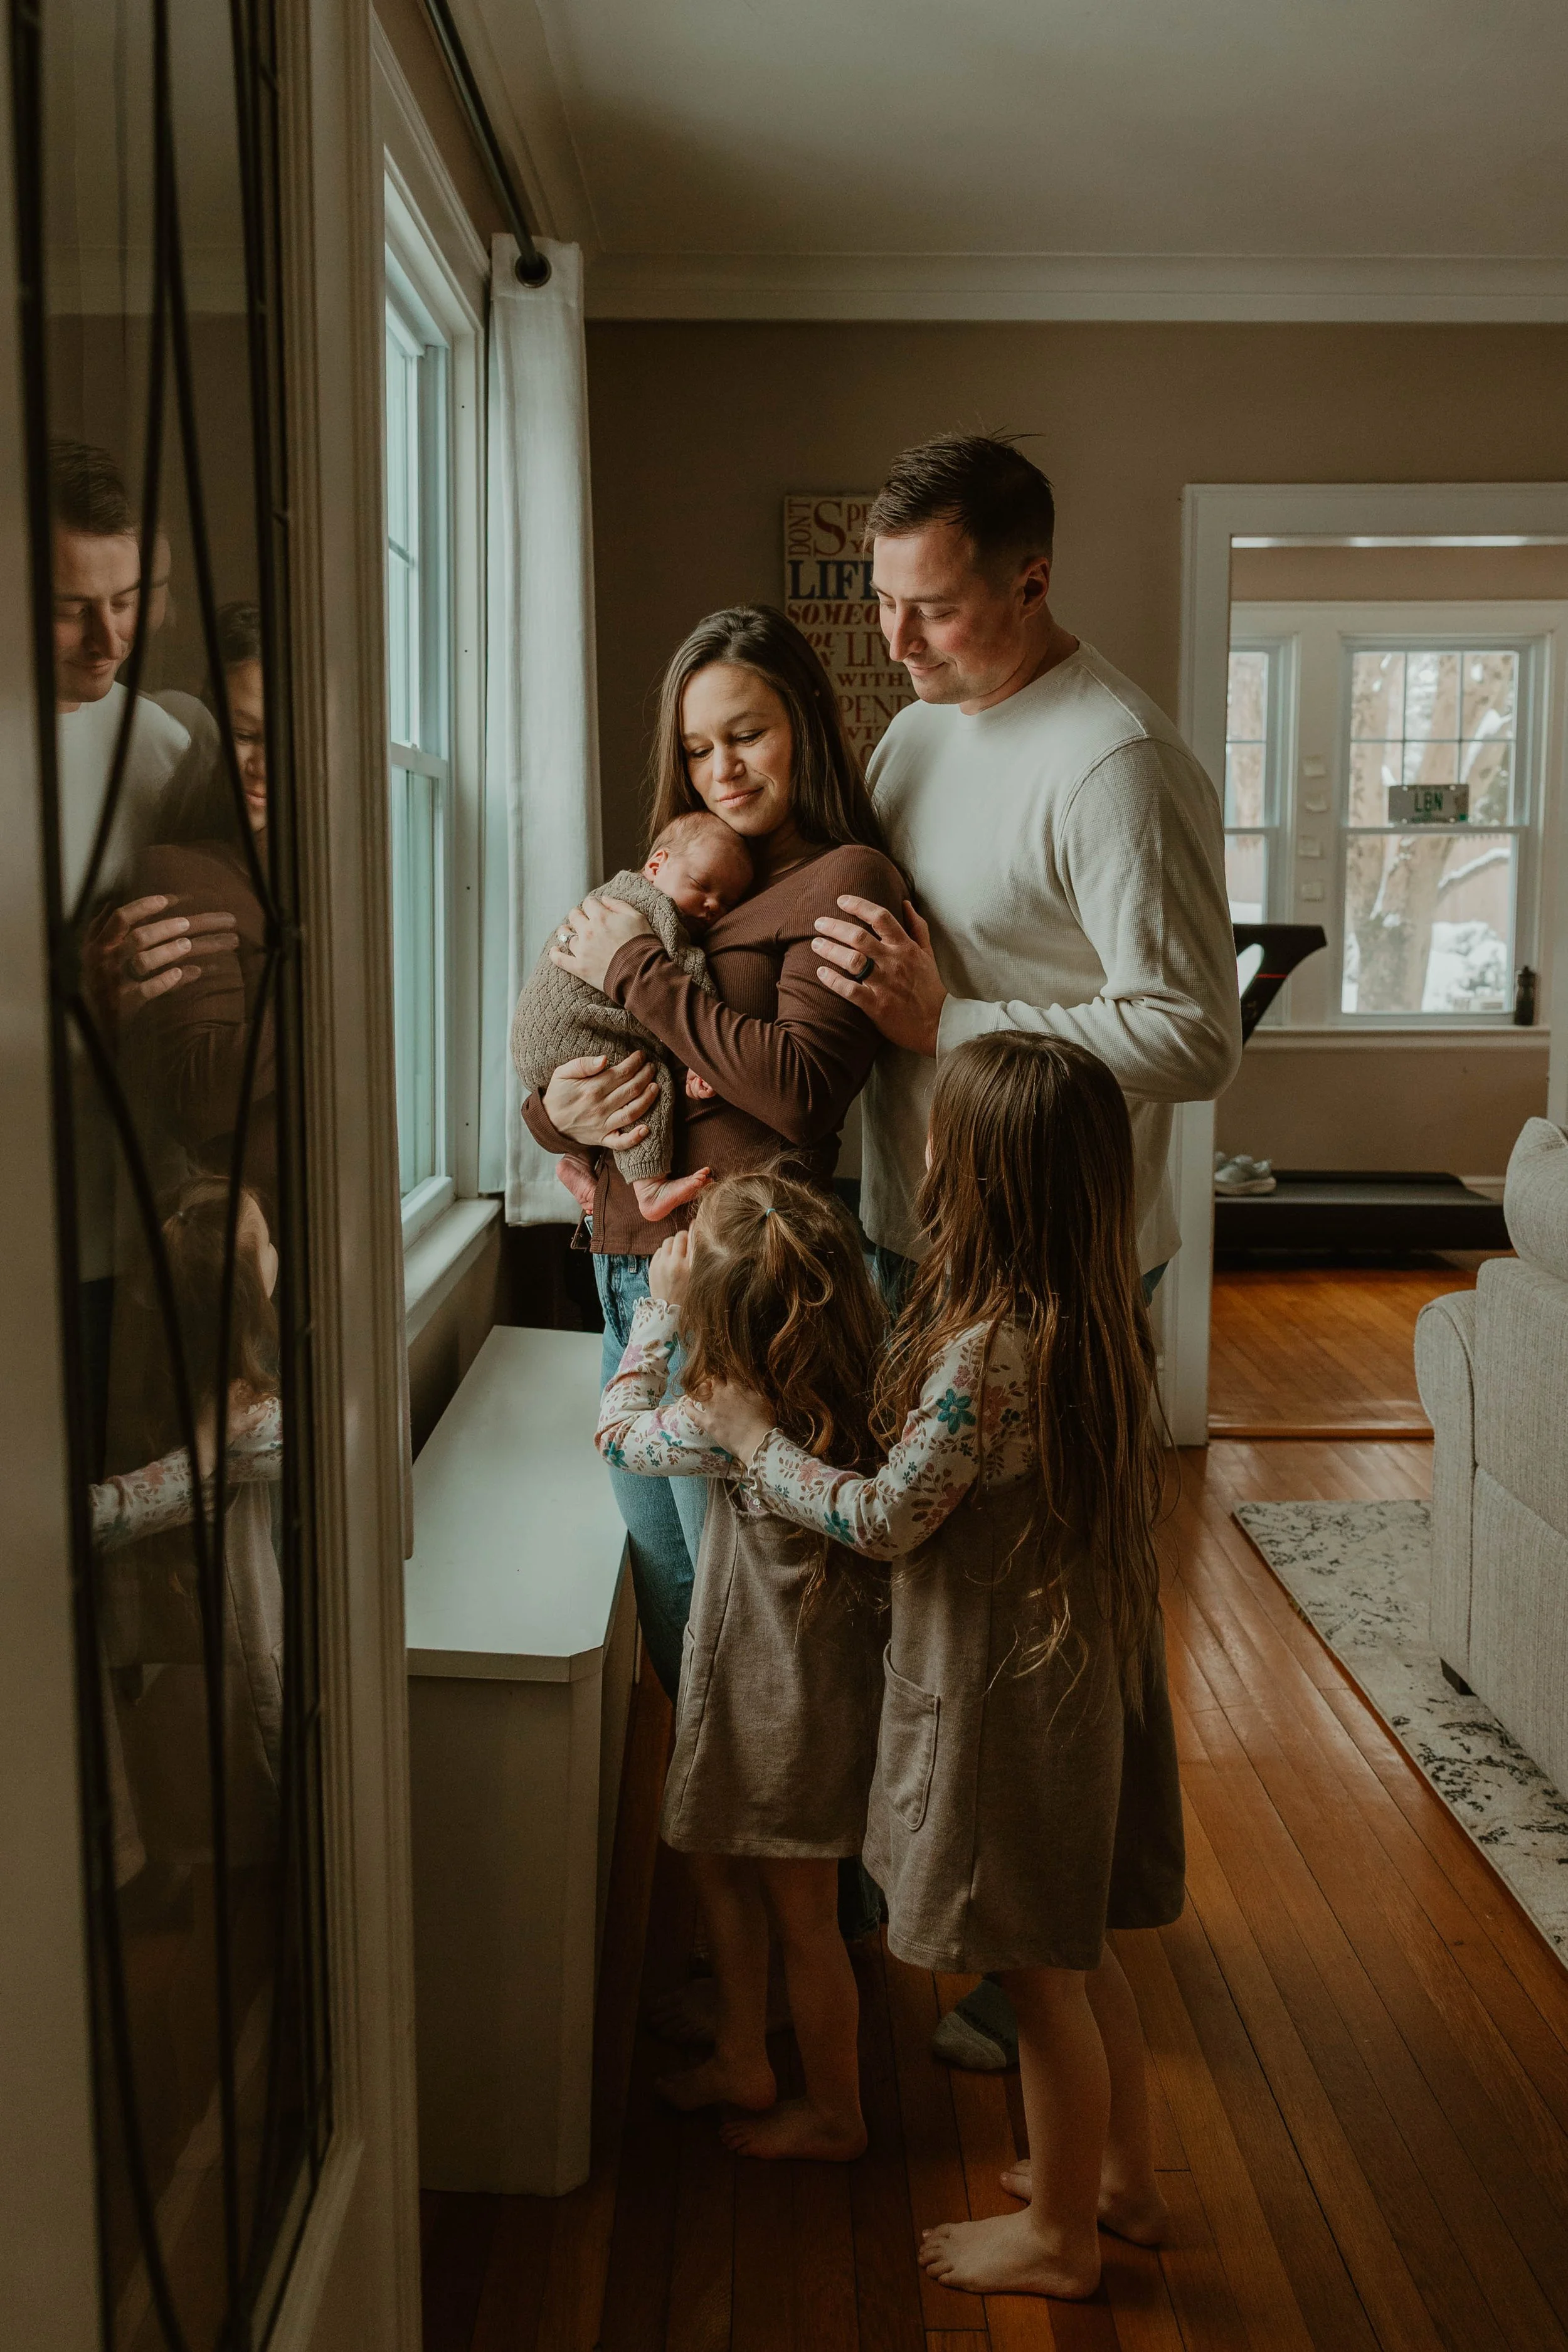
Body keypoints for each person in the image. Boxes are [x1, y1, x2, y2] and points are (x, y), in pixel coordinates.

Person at [808, 431, 1241, 2069]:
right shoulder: (919, 725)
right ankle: (974, 1904)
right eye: (882, 602)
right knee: (946, 1619)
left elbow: (1192, 1034)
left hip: (1058, 1275)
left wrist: (956, 1018)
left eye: (929, 606)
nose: (897, 640)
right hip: (917, 1234)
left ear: (1031, 577)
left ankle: (1044, 1954)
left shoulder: (1115, 761)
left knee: (1047, 1644)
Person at [700, 1034, 1182, 2296]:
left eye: (935, 1138)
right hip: (1073, 1679)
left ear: (975, 1178)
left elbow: (881, 1519)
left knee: (1034, 1979)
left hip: (1004, 1703)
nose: (918, 1153)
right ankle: (1119, 2181)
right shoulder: (1098, 1318)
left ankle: (1060, 2239)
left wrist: (753, 1443)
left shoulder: (985, 1352)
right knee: (1080, 1953)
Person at [525, 603, 903, 1703]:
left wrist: (637, 969)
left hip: (739, 1288)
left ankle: (785, 1819)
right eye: (697, 748)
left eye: (746, 734)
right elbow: (600, 1048)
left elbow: (798, 1090)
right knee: (671, 1602)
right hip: (627, 1274)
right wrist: (557, 1115)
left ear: (806, 722)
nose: (722, 769)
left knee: (748, 1622)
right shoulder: (679, 885)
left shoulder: (843, 878)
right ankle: (713, 1819)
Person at [593, 1172, 886, 2161]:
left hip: (769, 1695)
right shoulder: (872, 1386)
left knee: (803, 1916)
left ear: (716, 1319)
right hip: (823, 1686)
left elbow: (617, 1434)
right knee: (724, 1860)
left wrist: (657, 1314)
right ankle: (742, 2049)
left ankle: (837, 2111)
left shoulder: (727, 1415)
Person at [511, 808, 753, 1222]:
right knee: (644, 1078)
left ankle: (579, 1161)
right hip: (573, 1029)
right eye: (701, 886)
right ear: (657, 865)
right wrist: (702, 1059)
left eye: (728, 902)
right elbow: (688, 975)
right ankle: (650, 1188)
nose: (713, 905)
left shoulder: (609, 894)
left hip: (535, 1037)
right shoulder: (655, 908)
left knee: (604, 1084)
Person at [127, 602, 277, 1214]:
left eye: (286, 739)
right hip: (256, 1230)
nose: (263, 766)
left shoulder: (325, 873)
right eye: (244, 735)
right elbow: (195, 1096)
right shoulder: (180, 871)